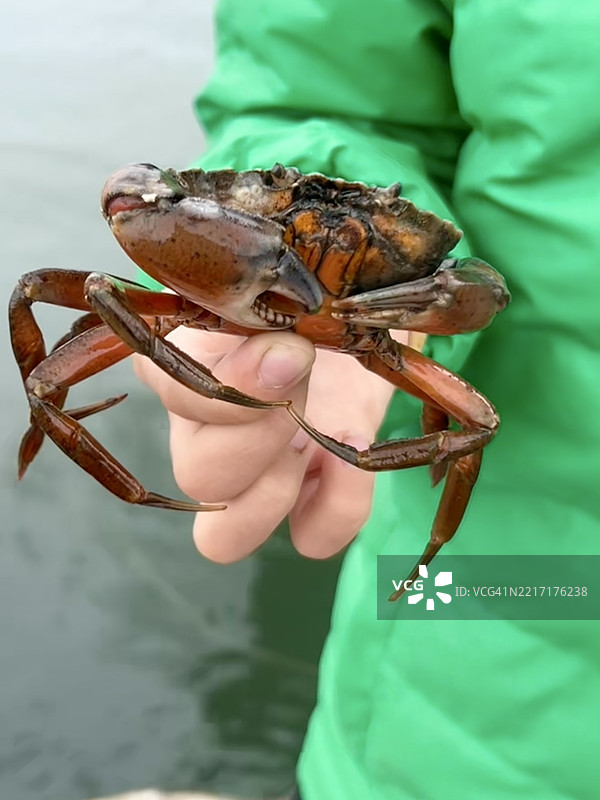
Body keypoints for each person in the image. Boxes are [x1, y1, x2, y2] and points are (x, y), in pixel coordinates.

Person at [135, 1, 600, 798]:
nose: (332, 232)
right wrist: (261, 244)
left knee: (468, 428)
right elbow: (318, 91)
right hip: (506, 604)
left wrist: (393, 314)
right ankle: (423, 569)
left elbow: (475, 290)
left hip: (410, 352)